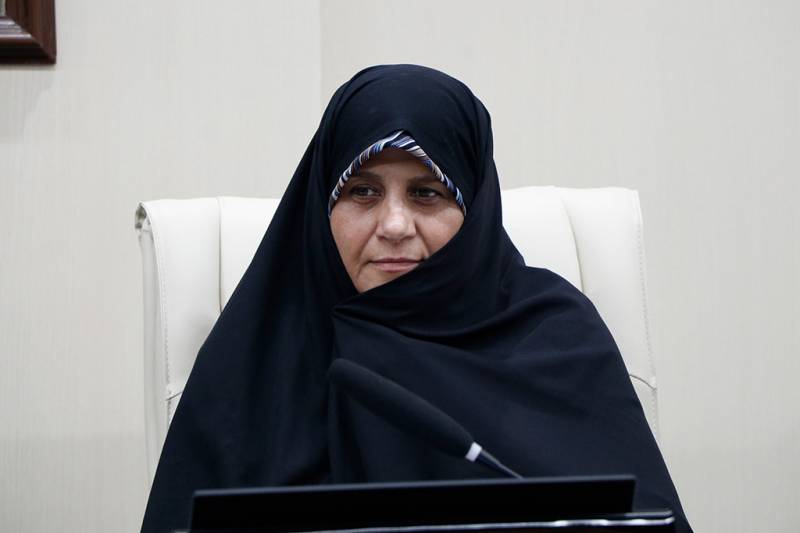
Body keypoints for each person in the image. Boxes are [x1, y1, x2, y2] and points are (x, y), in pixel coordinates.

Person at [141, 64, 692, 532]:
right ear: (321, 205)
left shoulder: (556, 339)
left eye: (427, 193)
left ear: (474, 209)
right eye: (363, 191)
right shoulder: (252, 362)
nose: (395, 224)